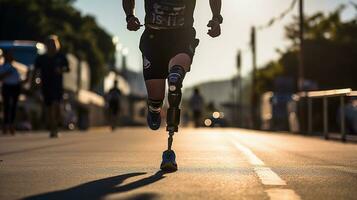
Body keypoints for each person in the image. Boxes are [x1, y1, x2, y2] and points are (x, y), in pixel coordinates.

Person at [123, 0, 222, 171]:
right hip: (153, 40)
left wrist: (216, 18)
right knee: (156, 98)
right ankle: (154, 109)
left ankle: (169, 148)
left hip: (181, 37)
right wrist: (130, 16)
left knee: (175, 80)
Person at [34, 35, 69, 138]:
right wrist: (34, 82)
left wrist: (61, 70)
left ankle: (55, 127)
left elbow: (67, 68)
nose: (51, 46)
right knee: (48, 108)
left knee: (56, 106)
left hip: (57, 86)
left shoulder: (61, 57)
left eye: (53, 44)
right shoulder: (41, 58)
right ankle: (52, 128)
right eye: (49, 44)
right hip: (46, 85)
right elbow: (36, 71)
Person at [0, 50, 28, 135]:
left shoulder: (16, 67)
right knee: (6, 106)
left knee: (14, 106)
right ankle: (5, 125)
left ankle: (12, 125)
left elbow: (19, 79)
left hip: (15, 87)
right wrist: (7, 73)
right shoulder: (3, 66)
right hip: (7, 86)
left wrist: (25, 81)